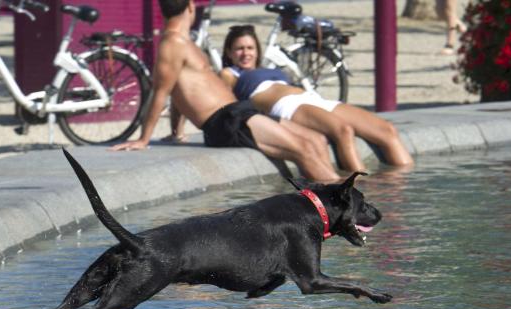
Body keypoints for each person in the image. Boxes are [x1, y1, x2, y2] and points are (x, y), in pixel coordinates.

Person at [110, 0, 340, 182]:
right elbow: (161, 91)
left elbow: (179, 91)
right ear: (191, 6)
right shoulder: (173, 43)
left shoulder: (182, 41)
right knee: (303, 149)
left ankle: (324, 195)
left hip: (239, 113)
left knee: (315, 139)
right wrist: (143, 139)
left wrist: (175, 131)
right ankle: (341, 205)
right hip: (225, 121)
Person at [217, 25, 414, 167]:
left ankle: (402, 193)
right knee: (343, 131)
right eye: (239, 48)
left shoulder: (267, 69)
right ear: (229, 52)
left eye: (250, 48)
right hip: (286, 105)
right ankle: (358, 196)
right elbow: (222, 103)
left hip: (312, 99)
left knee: (387, 131)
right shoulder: (229, 73)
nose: (245, 53)